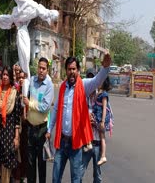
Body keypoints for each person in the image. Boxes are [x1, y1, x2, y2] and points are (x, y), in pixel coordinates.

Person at [46, 54, 111, 183]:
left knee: (76, 179)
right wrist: (49, 129)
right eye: (69, 69)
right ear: (66, 70)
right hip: (62, 141)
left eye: (74, 69)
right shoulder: (63, 87)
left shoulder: (84, 85)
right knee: (55, 178)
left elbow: (97, 80)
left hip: (76, 143)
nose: (71, 72)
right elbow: (56, 110)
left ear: (78, 71)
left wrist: (105, 68)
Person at [22, 57, 54, 183]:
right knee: (30, 162)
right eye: (39, 67)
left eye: (43, 68)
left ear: (47, 70)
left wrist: (29, 104)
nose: (40, 70)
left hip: (41, 129)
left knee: (41, 162)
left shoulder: (49, 86)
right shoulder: (32, 81)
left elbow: (45, 107)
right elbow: (25, 96)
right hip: (30, 127)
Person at [0, 66, 22, 183]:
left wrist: (16, 137)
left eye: (7, 75)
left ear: (10, 77)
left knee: (6, 164)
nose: (5, 77)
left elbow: (17, 118)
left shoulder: (14, 93)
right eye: (3, 74)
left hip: (8, 134)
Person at [81, 69, 102, 183]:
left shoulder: (102, 99)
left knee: (97, 176)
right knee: (79, 173)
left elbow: (107, 123)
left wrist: (97, 123)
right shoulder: (82, 99)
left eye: (92, 79)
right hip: (85, 143)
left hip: (98, 143)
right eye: (88, 79)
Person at [93, 76, 113, 166]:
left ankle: (103, 156)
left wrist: (102, 121)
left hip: (101, 119)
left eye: (100, 81)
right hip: (97, 117)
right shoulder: (99, 93)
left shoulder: (104, 94)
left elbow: (104, 108)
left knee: (102, 137)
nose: (98, 83)